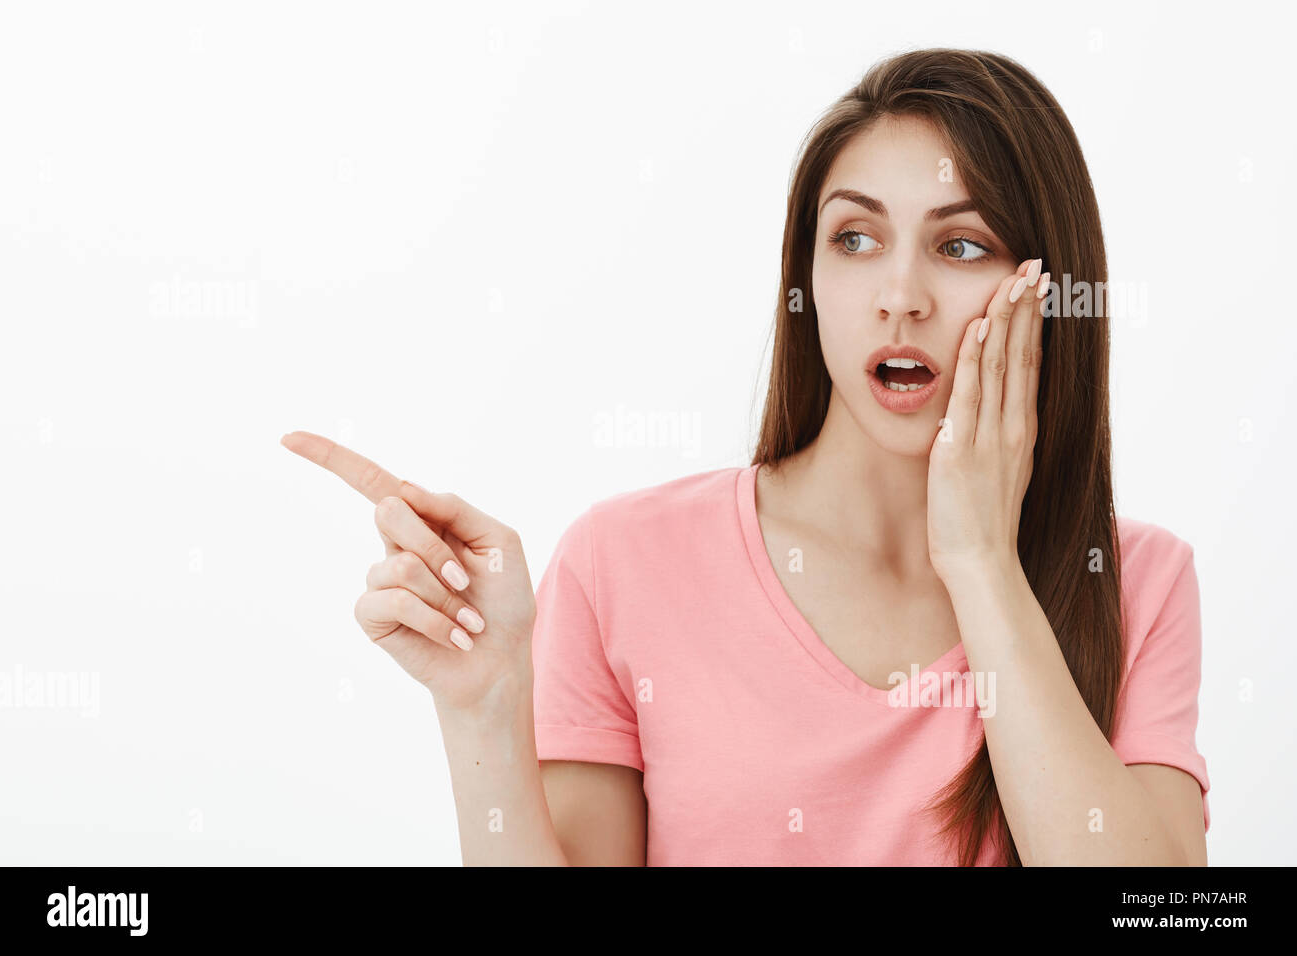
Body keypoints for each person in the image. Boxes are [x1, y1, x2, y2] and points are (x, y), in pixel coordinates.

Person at [282, 48, 1209, 866]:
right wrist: (483, 711)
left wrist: (982, 564)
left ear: (1046, 291)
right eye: (855, 238)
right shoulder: (624, 561)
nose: (899, 296)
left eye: (961, 245)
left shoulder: (1140, 583)